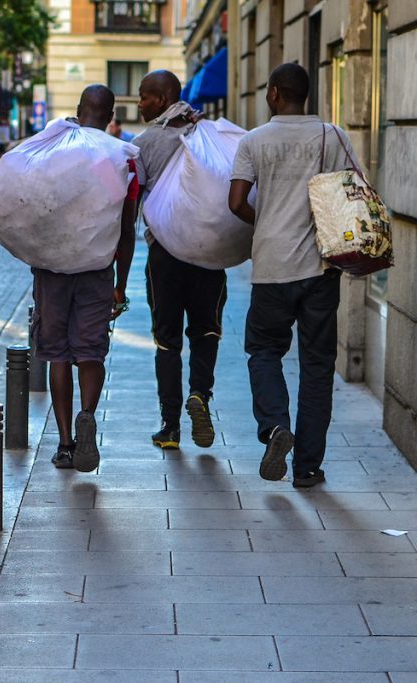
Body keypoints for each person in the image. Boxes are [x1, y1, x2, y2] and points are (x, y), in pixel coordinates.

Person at [228, 63, 355, 488]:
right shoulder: (333, 136)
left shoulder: (254, 141)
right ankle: (307, 469)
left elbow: (235, 202)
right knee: (317, 366)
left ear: (275, 92)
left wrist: (264, 220)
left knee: (263, 350)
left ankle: (275, 426)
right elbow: (354, 191)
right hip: (321, 268)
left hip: (271, 267)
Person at [40, 85, 137, 471]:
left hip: (53, 271)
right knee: (90, 350)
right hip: (98, 270)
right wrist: (121, 283)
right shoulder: (117, 160)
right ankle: (88, 417)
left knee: (58, 354)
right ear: (110, 116)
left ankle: (65, 443)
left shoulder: (54, 152)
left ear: (79, 112)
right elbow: (126, 226)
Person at [133, 70, 227, 450]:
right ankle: (200, 395)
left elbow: (132, 201)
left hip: (166, 256)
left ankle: (170, 427)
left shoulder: (145, 142)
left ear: (160, 99)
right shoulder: (209, 132)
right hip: (208, 252)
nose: (138, 104)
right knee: (207, 331)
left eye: (143, 96)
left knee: (167, 340)